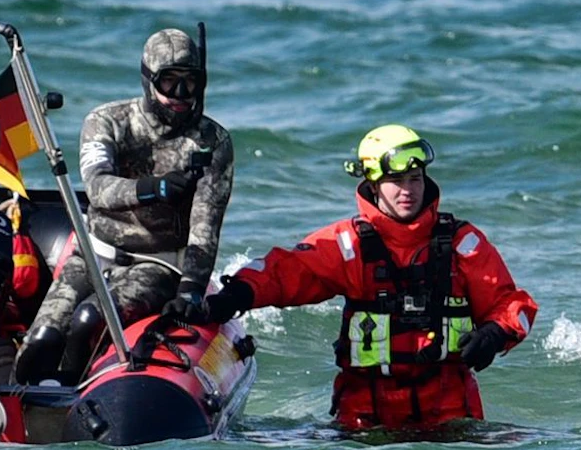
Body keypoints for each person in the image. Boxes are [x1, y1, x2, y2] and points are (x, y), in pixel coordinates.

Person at [188, 124, 536, 431]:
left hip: (452, 418)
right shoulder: (347, 245)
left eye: (415, 179)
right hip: (365, 423)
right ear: (373, 183)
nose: (408, 190)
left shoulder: (462, 244)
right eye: (396, 181)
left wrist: (495, 333)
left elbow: (513, 305)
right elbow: (285, 273)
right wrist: (234, 296)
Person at [14, 27, 233, 385]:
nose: (180, 95)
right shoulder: (107, 122)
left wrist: (191, 288)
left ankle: (75, 402)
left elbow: (205, 222)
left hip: (158, 265)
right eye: (169, 82)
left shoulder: (212, 142)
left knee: (88, 322)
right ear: (149, 81)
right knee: (42, 340)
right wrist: (154, 188)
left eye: (190, 82)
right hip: (92, 257)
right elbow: (97, 188)